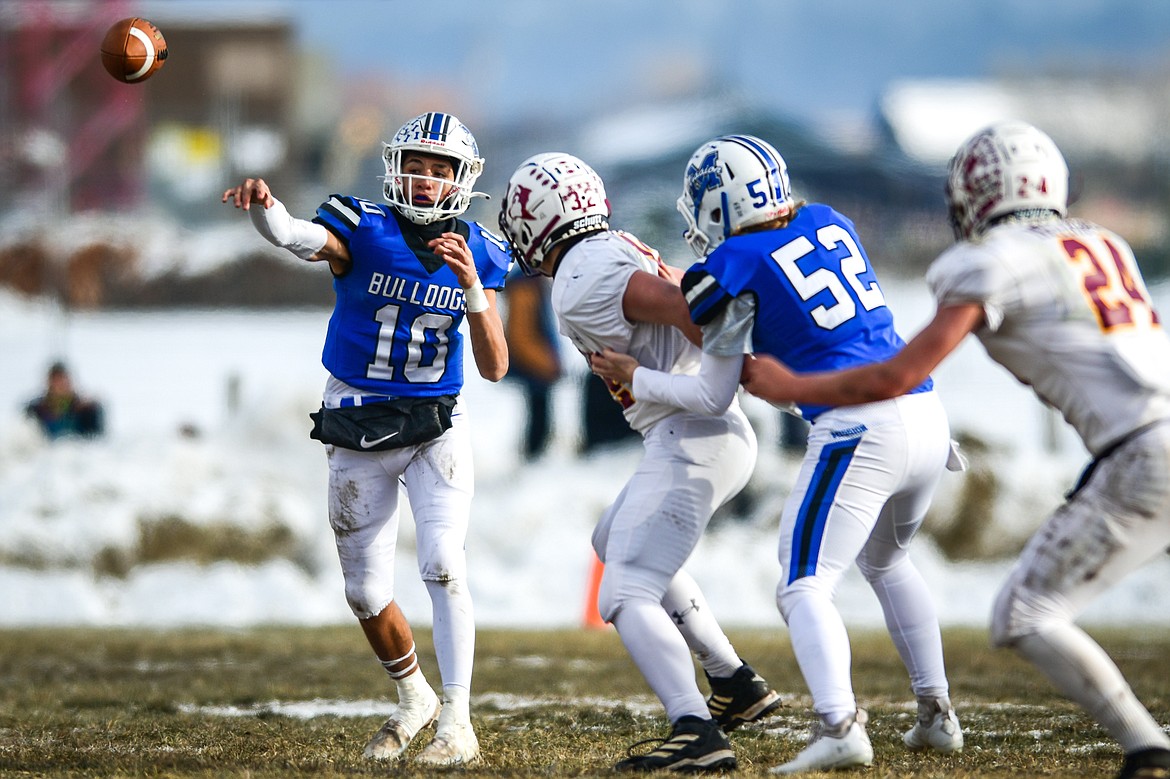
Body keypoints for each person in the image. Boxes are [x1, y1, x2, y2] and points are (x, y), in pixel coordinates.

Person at [740, 120, 1170, 779]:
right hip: (1140, 439)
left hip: (1143, 454)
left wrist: (793, 384)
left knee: (1023, 612)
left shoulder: (990, 261)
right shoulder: (1104, 241)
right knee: (894, 561)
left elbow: (896, 374)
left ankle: (1146, 748)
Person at [595, 134, 964, 774]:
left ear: (719, 205)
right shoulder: (829, 220)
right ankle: (937, 714)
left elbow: (713, 393)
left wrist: (638, 375)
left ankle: (840, 725)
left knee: (802, 585)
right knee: (889, 563)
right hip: (927, 417)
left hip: (860, 426)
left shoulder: (731, 265)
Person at [222, 111, 510, 767]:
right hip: (356, 417)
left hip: (436, 420)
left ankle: (458, 721)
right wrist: (266, 209)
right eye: (417, 164)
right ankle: (415, 697)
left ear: (461, 180)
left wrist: (471, 288)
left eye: (441, 170)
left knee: (443, 561)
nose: (426, 179)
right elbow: (295, 236)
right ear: (395, 166)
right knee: (363, 590)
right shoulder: (365, 226)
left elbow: (495, 365)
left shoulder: (479, 250)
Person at [498, 152, 782, 773]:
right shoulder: (603, 248)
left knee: (625, 591)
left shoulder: (582, 275)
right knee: (611, 540)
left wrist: (742, 361)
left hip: (694, 431)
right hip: (691, 432)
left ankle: (695, 728)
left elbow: (688, 307)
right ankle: (734, 682)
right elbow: (684, 289)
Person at [501, 268, 562, 459]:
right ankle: (532, 466)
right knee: (538, 427)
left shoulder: (529, 280)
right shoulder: (525, 282)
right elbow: (521, 335)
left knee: (538, 422)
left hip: (537, 364)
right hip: (535, 367)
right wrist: (546, 363)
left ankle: (533, 465)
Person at [25, 361, 105, 439]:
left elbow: (96, 439)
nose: (59, 386)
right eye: (55, 381)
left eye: (62, 380)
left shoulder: (86, 410)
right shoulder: (35, 410)